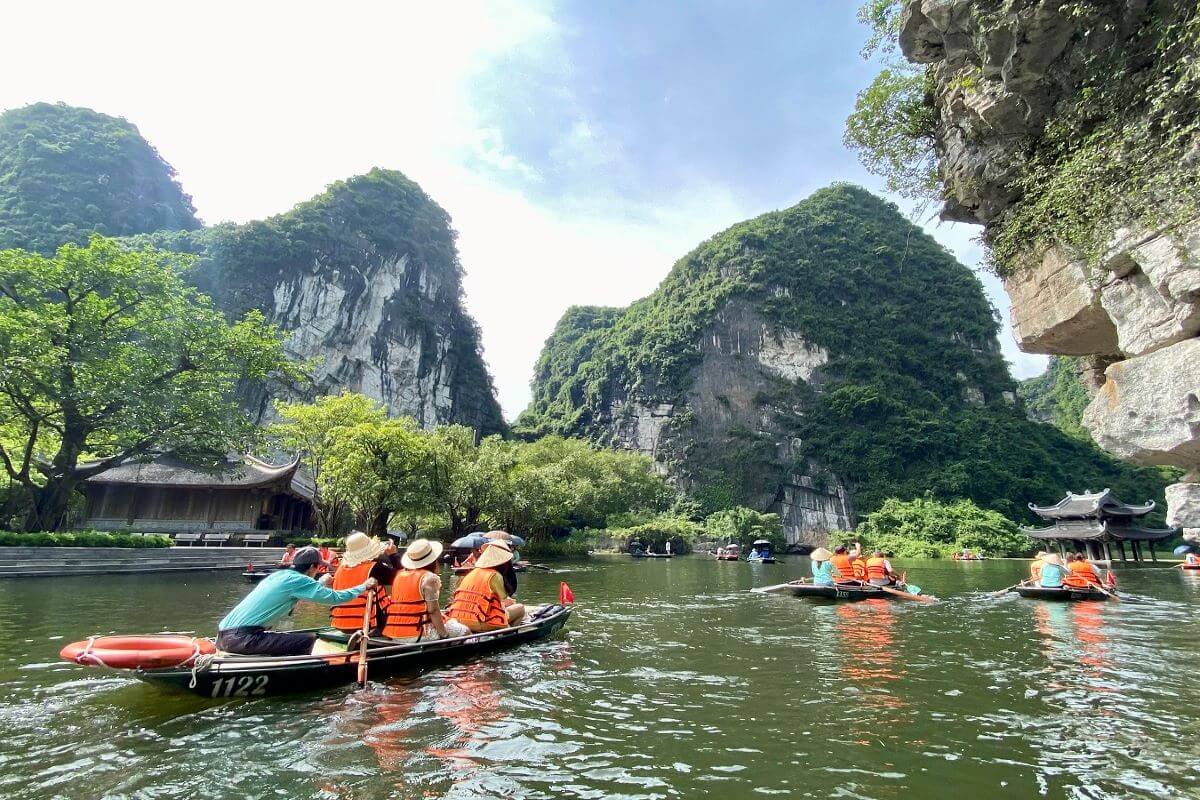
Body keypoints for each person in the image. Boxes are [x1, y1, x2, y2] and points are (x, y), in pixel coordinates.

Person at [217, 546, 377, 656]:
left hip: (223, 636)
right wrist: (363, 586)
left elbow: (296, 593)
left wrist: (319, 583)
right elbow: (335, 598)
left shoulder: (280, 575)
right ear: (313, 567)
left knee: (293, 638)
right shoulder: (300, 581)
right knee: (309, 639)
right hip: (243, 638)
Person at [382, 538, 470, 642]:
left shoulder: (399, 575)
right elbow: (433, 610)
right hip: (418, 634)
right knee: (465, 631)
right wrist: (444, 635)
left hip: (394, 633)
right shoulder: (428, 578)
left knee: (450, 621)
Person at [448, 540, 526, 632]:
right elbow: (504, 601)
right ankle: (509, 633)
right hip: (481, 622)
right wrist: (511, 602)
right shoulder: (495, 575)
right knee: (520, 608)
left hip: (457, 619)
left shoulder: (472, 573)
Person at [329, 532, 396, 634]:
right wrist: (393, 555)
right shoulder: (375, 568)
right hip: (368, 626)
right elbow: (401, 577)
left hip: (341, 624)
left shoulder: (341, 568)